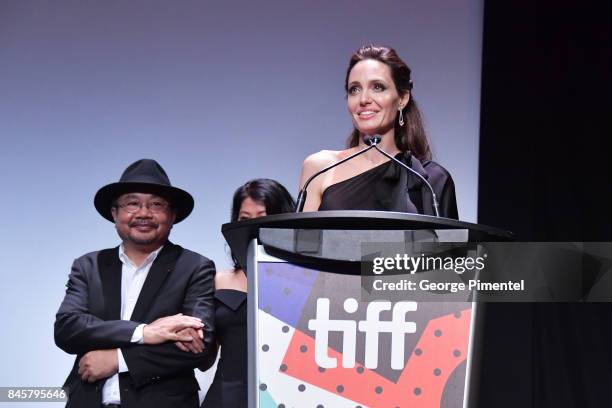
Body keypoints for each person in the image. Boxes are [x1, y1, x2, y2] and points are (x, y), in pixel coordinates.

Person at [54, 159, 216, 408]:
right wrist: (144, 333)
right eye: (132, 203)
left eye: (156, 204)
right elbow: (67, 328)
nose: (143, 213)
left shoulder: (195, 267)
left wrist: (118, 359)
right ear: (114, 213)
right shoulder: (88, 265)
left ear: (172, 215)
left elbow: (199, 344)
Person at [299, 44, 459, 218]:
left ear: (402, 98)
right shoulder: (319, 168)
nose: (364, 99)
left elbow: (450, 245)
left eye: (378, 87)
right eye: (355, 89)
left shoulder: (429, 179)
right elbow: (301, 242)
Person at [197, 179, 295, 408]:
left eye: (263, 217)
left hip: (285, 397)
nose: (253, 227)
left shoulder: (308, 280)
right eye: (244, 219)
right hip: (225, 397)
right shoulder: (219, 279)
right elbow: (204, 359)